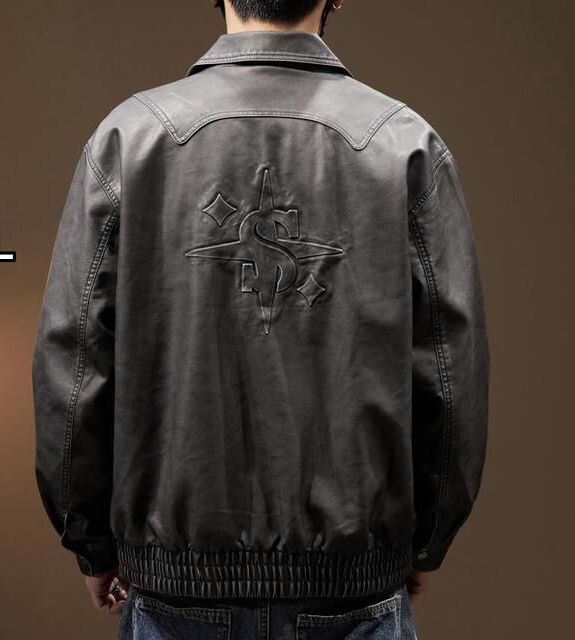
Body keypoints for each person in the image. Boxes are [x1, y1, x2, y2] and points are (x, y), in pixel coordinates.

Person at [31, 1, 491, 638]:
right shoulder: (404, 145)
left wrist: (91, 543)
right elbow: (450, 373)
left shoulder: (128, 140)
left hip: (174, 598)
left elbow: (73, 366)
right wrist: (425, 540)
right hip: (353, 594)